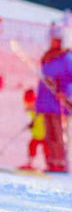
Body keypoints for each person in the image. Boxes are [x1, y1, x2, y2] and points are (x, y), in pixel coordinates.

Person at [35, 19, 72, 172]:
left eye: (57, 40)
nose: (54, 43)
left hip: (59, 104)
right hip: (46, 101)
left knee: (58, 134)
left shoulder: (67, 58)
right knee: (49, 135)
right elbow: (45, 79)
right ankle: (51, 162)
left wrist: (66, 93)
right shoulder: (47, 57)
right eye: (52, 40)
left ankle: (61, 163)